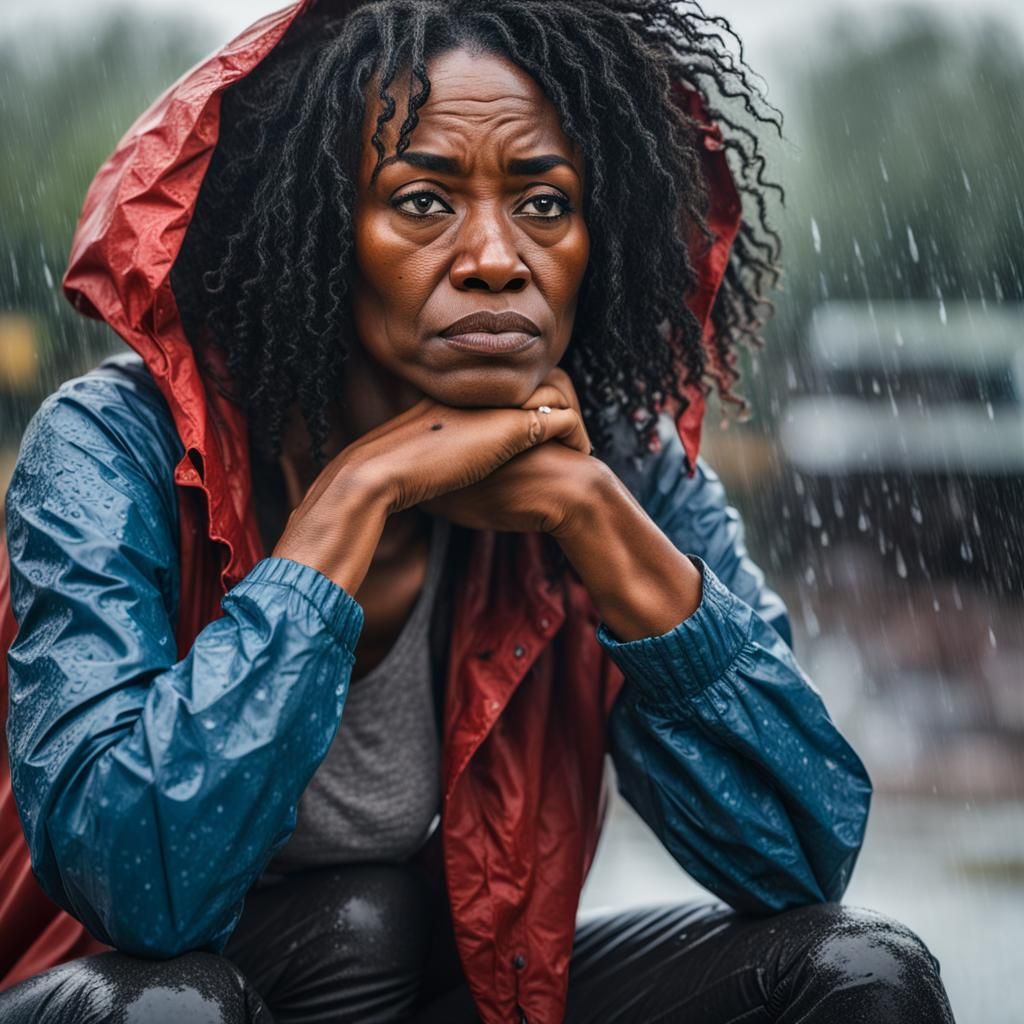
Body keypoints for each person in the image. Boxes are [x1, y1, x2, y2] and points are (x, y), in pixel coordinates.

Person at [0, 1, 955, 1021]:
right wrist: (352, 506)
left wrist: (594, 519)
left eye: (544, 203)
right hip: (107, 991)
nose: (497, 256)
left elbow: (801, 851)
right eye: (422, 200)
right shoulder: (117, 447)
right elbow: (140, 886)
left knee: (861, 971)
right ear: (319, 229)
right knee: (205, 994)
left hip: (427, 986)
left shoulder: (618, 468)